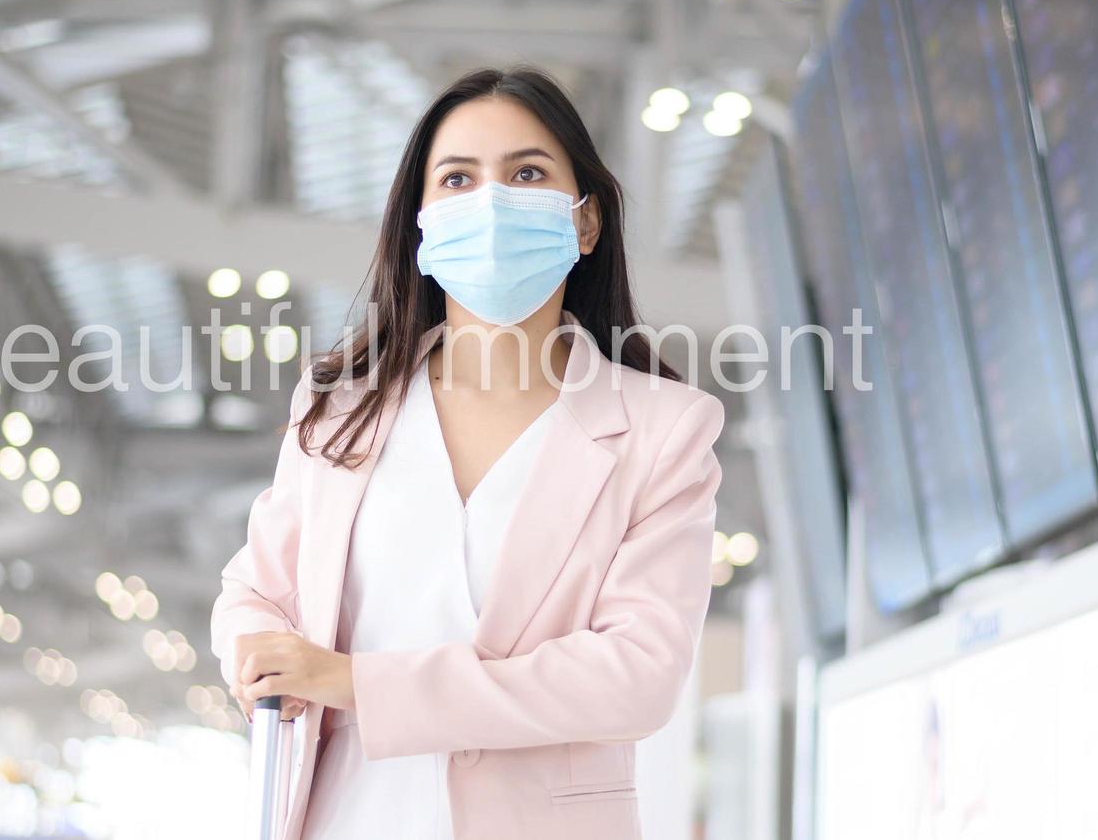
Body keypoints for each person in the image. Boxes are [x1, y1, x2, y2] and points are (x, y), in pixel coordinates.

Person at [209, 65, 725, 839]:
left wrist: (356, 684)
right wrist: (255, 653)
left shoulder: (664, 428)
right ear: (420, 224)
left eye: (526, 173)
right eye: (457, 179)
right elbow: (256, 591)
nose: (490, 203)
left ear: (585, 223)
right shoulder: (339, 409)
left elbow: (635, 678)